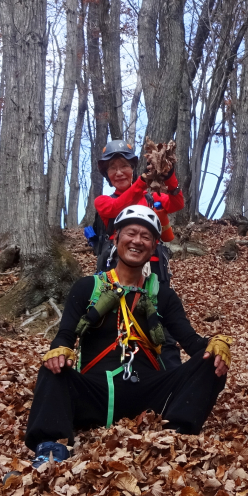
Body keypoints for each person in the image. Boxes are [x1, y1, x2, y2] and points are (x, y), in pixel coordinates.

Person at [25, 205, 231, 466]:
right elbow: (65, 335)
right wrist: (59, 351)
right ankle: (50, 450)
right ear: (116, 238)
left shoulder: (163, 295)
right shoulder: (88, 287)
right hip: (95, 391)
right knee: (52, 369)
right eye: (131, 233)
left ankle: (177, 435)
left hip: (150, 393)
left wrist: (216, 345)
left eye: (146, 237)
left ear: (155, 246)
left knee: (210, 362)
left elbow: (190, 341)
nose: (137, 241)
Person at [91, 139, 185, 368]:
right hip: (117, 274)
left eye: (123, 165)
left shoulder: (151, 197)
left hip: (154, 272)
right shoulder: (103, 202)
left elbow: (177, 202)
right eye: (112, 168)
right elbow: (116, 208)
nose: (118, 172)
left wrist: (169, 174)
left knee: (160, 323)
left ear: (132, 167)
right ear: (106, 173)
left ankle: (169, 378)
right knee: (115, 323)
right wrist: (142, 183)